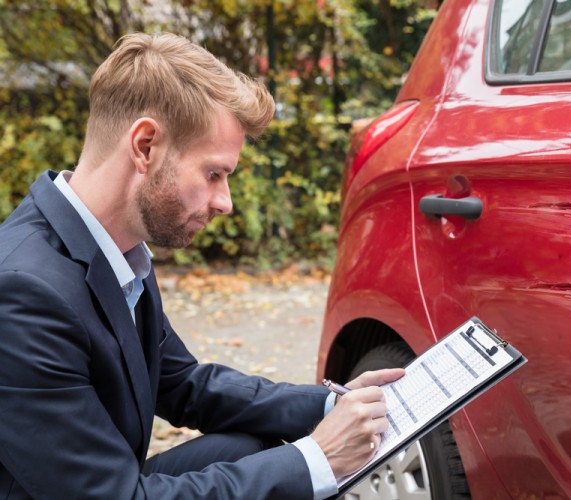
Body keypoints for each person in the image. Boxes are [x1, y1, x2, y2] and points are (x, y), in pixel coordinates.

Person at [0, 32, 404, 499]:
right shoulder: (24, 293)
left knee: (251, 448)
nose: (225, 203)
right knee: (292, 471)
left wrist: (334, 402)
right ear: (145, 146)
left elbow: (185, 384)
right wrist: (318, 458)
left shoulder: (115, 250)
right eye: (214, 174)